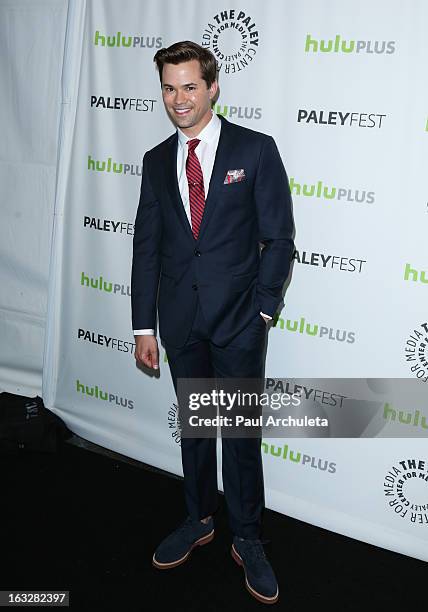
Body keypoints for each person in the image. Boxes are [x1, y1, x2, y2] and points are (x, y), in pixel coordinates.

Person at [131, 40, 294, 605]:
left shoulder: (255, 149)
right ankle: (199, 517)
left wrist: (264, 310)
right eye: (170, 88)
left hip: (240, 324)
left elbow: (279, 239)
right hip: (182, 325)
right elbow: (146, 248)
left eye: (190, 86)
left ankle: (248, 537)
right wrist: (142, 327)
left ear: (213, 87)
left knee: (241, 437)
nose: (179, 99)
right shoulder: (156, 160)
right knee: (196, 430)